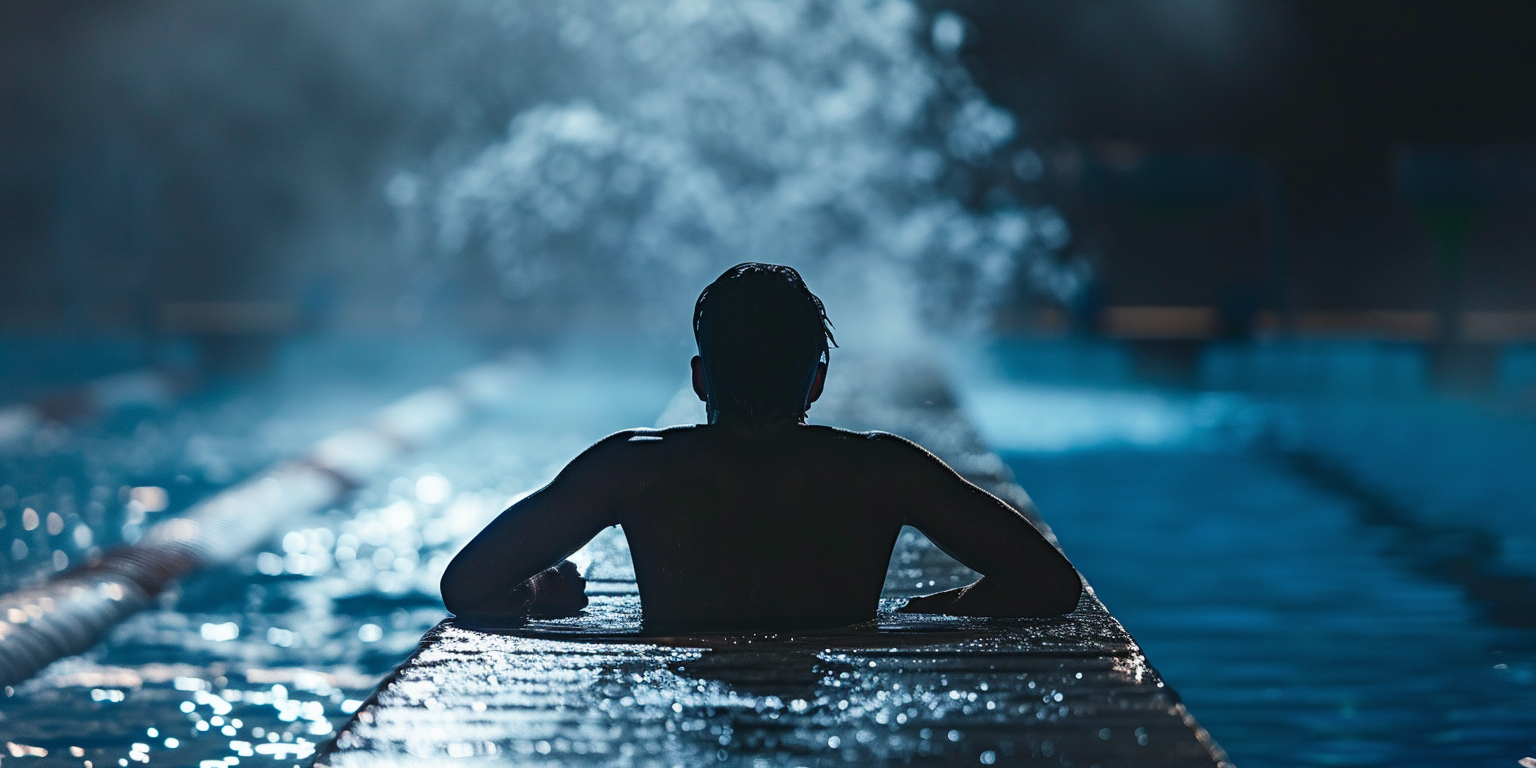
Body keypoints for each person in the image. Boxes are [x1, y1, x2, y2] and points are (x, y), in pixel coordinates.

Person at [440, 263, 1081, 632]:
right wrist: (935, 609)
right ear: (819, 382)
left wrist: (535, 596)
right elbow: (1052, 586)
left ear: (698, 380)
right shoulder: (885, 471)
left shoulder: (630, 469)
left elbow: (467, 584)